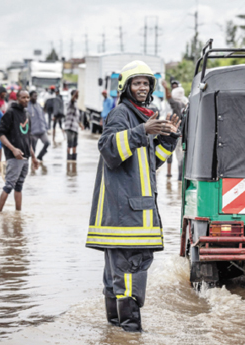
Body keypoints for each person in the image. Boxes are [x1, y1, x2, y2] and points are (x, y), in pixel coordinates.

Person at [86, 60, 181, 332]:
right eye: (137, 83)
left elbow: (150, 164)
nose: (142, 87)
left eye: (146, 83)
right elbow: (108, 150)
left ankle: (115, 332)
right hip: (124, 216)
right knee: (128, 277)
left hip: (133, 213)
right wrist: (143, 132)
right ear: (126, 87)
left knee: (118, 278)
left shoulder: (143, 116)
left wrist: (169, 140)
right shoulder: (121, 114)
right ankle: (130, 333)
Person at [0, 90, 39, 213]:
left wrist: (34, 157)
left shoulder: (27, 114)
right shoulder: (10, 113)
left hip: (25, 158)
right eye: (23, 97)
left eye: (27, 97)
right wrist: (13, 149)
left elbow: (27, 138)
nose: (26, 100)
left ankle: (18, 215)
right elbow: (0, 133)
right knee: (9, 186)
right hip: (14, 157)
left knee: (19, 187)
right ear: (17, 99)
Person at [28, 90, 50, 161]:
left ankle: (40, 156)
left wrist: (46, 127)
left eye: (36, 96)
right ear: (30, 97)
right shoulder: (27, 106)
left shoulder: (38, 105)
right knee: (33, 149)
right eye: (34, 96)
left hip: (42, 130)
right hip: (33, 132)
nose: (35, 97)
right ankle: (33, 164)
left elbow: (43, 116)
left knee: (47, 143)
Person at [64, 90, 83, 161]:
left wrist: (80, 125)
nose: (78, 96)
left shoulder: (76, 104)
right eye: (76, 95)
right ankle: (68, 161)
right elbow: (72, 99)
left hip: (75, 128)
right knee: (69, 145)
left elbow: (76, 117)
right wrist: (75, 94)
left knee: (75, 145)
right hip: (69, 127)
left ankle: (73, 162)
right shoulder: (70, 102)